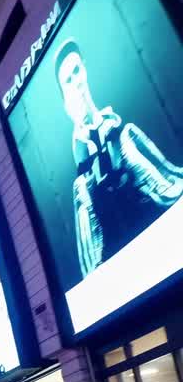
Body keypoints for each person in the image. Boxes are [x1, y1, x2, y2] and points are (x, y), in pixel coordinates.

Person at [53, 39, 183, 277]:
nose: (77, 83)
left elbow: (168, 185)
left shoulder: (124, 134)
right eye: (68, 81)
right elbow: (92, 257)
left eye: (77, 71)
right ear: (64, 99)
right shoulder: (82, 179)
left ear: (85, 69)